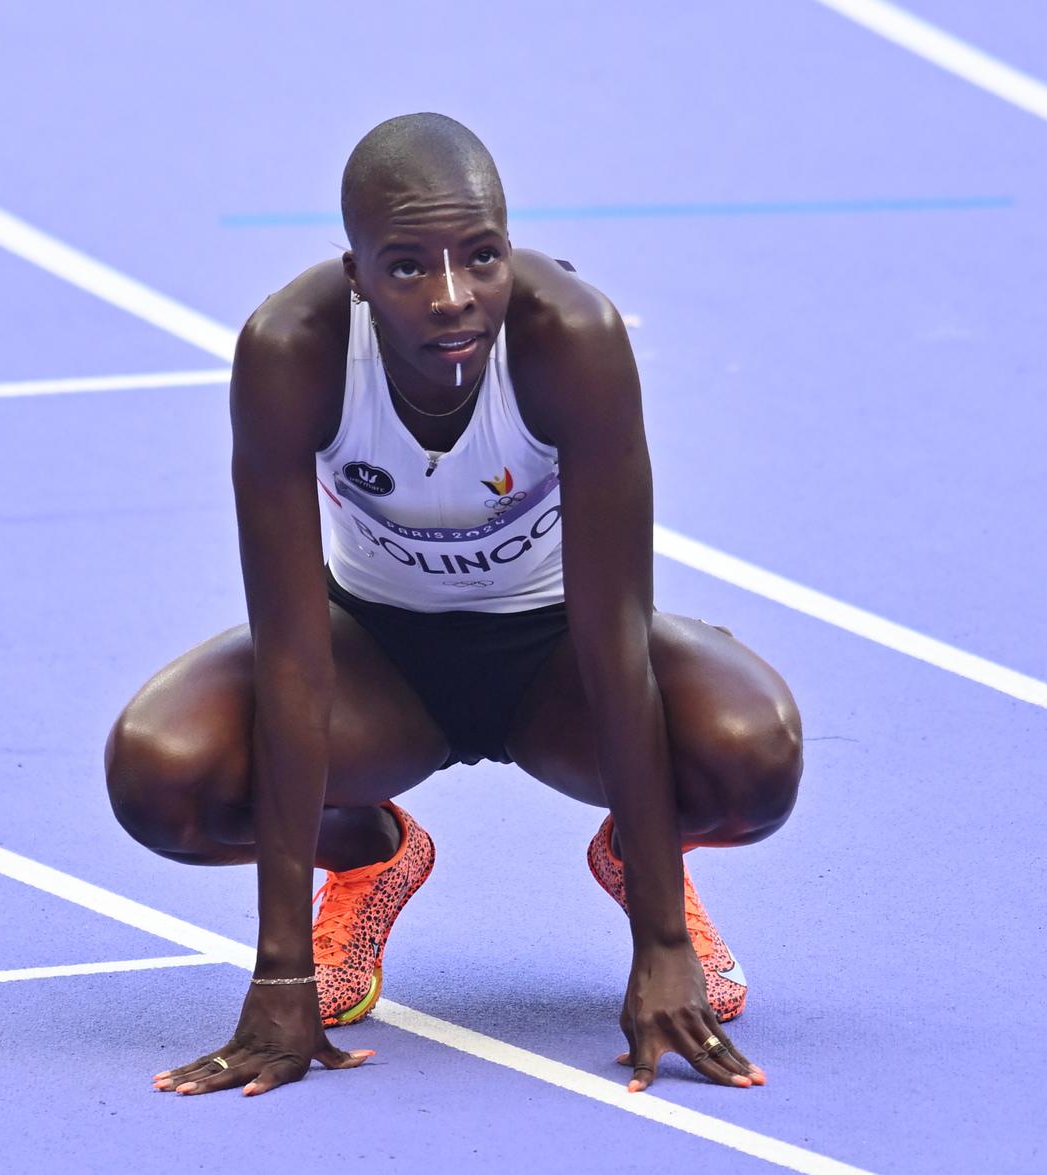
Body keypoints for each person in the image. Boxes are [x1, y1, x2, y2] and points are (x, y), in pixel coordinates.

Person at [106, 113, 802, 1098]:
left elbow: (613, 642)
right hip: (373, 660)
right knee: (161, 776)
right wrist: (280, 975)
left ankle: (648, 855)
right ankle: (367, 855)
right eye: (406, 268)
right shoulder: (289, 352)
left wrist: (660, 935)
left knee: (751, 753)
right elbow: (295, 660)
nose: (452, 297)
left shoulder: (574, 342)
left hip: (558, 655)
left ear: (510, 246)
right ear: (355, 274)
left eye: (481, 257)